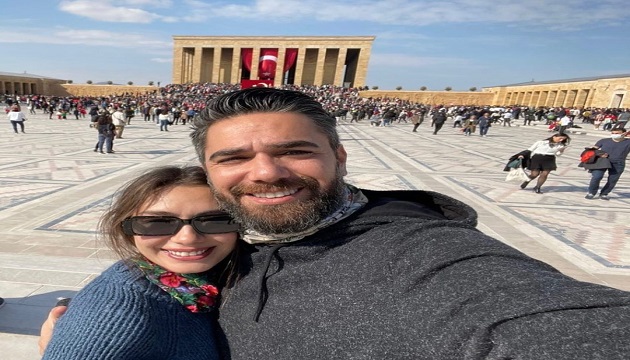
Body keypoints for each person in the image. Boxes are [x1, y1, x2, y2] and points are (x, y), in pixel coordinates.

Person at [41, 88, 630, 359]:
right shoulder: (209, 262)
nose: (265, 172)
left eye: (294, 151)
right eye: (234, 159)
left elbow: (535, 319)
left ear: (340, 158)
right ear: (211, 172)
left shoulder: (417, 251)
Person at [41, 166, 240, 359]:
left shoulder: (212, 277)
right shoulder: (117, 311)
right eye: (157, 223)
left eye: (215, 220)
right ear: (128, 230)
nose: (187, 238)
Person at [585, 127, 630, 200]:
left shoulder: (628, 142)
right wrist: (599, 153)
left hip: (618, 163)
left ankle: (604, 193)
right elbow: (593, 150)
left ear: (624, 133)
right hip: (602, 161)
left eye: (617, 133)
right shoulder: (604, 141)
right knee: (596, 177)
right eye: (613, 133)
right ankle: (591, 192)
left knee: (613, 179)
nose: (614, 135)